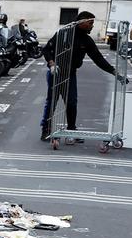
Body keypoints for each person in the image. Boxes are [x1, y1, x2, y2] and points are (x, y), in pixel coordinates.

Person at [40, 10, 117, 142]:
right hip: (56, 73)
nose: (92, 26)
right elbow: (46, 49)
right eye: (90, 23)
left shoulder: (87, 40)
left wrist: (114, 72)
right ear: (82, 22)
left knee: (71, 102)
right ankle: (46, 130)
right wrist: (51, 64)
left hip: (70, 75)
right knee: (52, 102)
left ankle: (71, 130)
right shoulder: (63, 33)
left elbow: (98, 59)